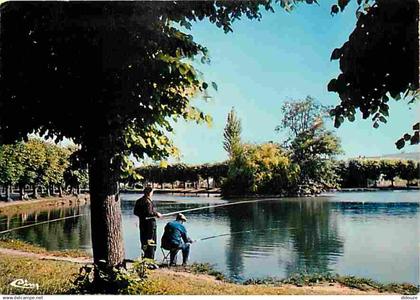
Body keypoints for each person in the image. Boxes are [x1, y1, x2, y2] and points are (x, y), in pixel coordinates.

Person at [133, 187, 162, 260]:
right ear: (149, 193)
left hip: (142, 224)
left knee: (143, 240)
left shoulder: (139, 201)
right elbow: (149, 213)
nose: (152, 194)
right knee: (151, 241)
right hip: (150, 225)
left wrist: (142, 216)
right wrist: (156, 214)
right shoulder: (148, 202)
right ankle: (150, 260)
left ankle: (145, 258)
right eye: (152, 192)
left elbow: (135, 212)